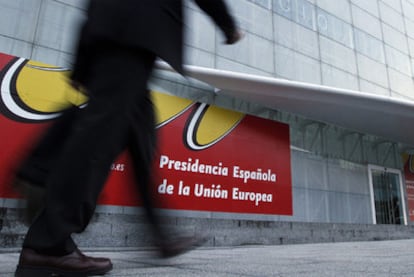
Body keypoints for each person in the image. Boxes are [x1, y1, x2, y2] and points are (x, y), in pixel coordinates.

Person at [14, 0, 242, 276]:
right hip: (133, 33)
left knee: (141, 138)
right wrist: (227, 25)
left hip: (118, 30)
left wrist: (82, 61)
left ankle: (161, 236)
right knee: (97, 142)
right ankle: (48, 244)